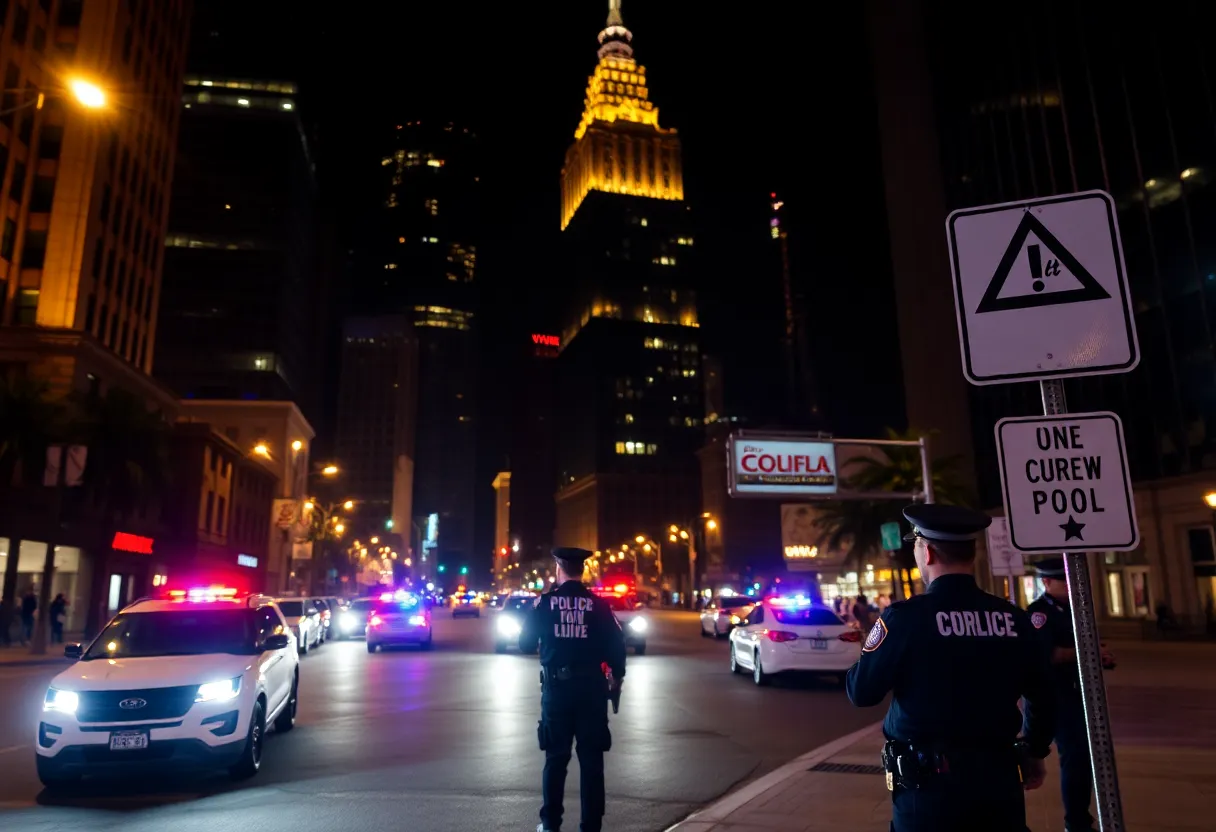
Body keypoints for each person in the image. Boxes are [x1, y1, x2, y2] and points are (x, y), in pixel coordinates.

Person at [845, 504, 1057, 832]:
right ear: (971, 554)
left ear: (927, 553)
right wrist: (1035, 750)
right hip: (999, 780)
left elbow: (862, 692)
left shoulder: (905, 618)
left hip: (930, 791)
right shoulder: (1014, 618)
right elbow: (1043, 692)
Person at [521, 547, 627, 832]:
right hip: (592, 691)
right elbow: (618, 647)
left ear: (559, 568)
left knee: (556, 759)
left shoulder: (544, 604)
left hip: (557, 690)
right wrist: (616, 677)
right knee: (592, 761)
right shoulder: (599, 605)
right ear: (582, 570)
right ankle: (590, 827)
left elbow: (524, 643)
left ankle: (550, 825)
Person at [1027, 557, 1112, 832]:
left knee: (1089, 756)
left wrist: (1101, 655)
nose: (1069, 585)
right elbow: (1046, 654)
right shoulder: (1039, 613)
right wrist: (1088, 652)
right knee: (1075, 756)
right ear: (1046, 582)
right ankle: (1076, 822)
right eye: (1063, 580)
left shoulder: (1077, 609)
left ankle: (1082, 817)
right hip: (1057, 694)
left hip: (1082, 691)